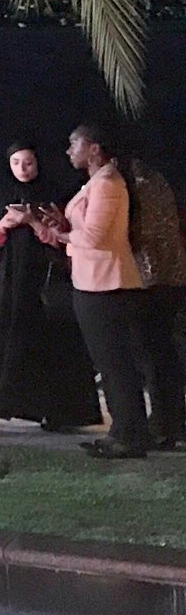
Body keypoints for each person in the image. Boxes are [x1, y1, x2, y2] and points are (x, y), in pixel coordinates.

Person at [0, 142, 100, 432]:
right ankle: (11, 402)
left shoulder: (54, 193)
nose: (22, 169)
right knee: (15, 338)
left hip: (48, 281)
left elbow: (62, 240)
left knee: (54, 342)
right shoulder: (3, 195)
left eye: (28, 163)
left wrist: (32, 221)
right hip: (15, 280)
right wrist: (5, 224)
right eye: (16, 163)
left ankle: (61, 412)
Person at [49, 125, 151, 458]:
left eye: (74, 144)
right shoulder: (96, 182)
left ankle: (131, 435)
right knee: (108, 363)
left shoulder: (108, 184)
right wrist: (61, 225)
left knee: (116, 362)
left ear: (94, 148)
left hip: (107, 284)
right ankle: (121, 430)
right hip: (91, 281)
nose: (69, 151)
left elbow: (95, 237)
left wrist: (62, 235)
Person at [125, 153, 186, 451]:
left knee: (153, 353)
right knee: (163, 352)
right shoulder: (158, 179)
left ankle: (165, 423)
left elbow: (143, 233)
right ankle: (172, 420)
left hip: (152, 278)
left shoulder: (140, 184)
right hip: (170, 275)